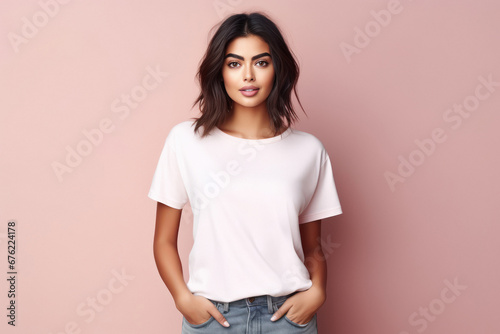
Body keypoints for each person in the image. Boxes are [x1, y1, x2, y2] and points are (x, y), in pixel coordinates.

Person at [148, 11, 342, 334]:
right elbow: (163, 241)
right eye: (235, 63)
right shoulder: (185, 141)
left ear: (277, 69)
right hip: (213, 318)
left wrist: (318, 291)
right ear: (219, 71)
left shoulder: (309, 151)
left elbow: (314, 249)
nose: (248, 75)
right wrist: (183, 299)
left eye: (261, 62)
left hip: (288, 318)